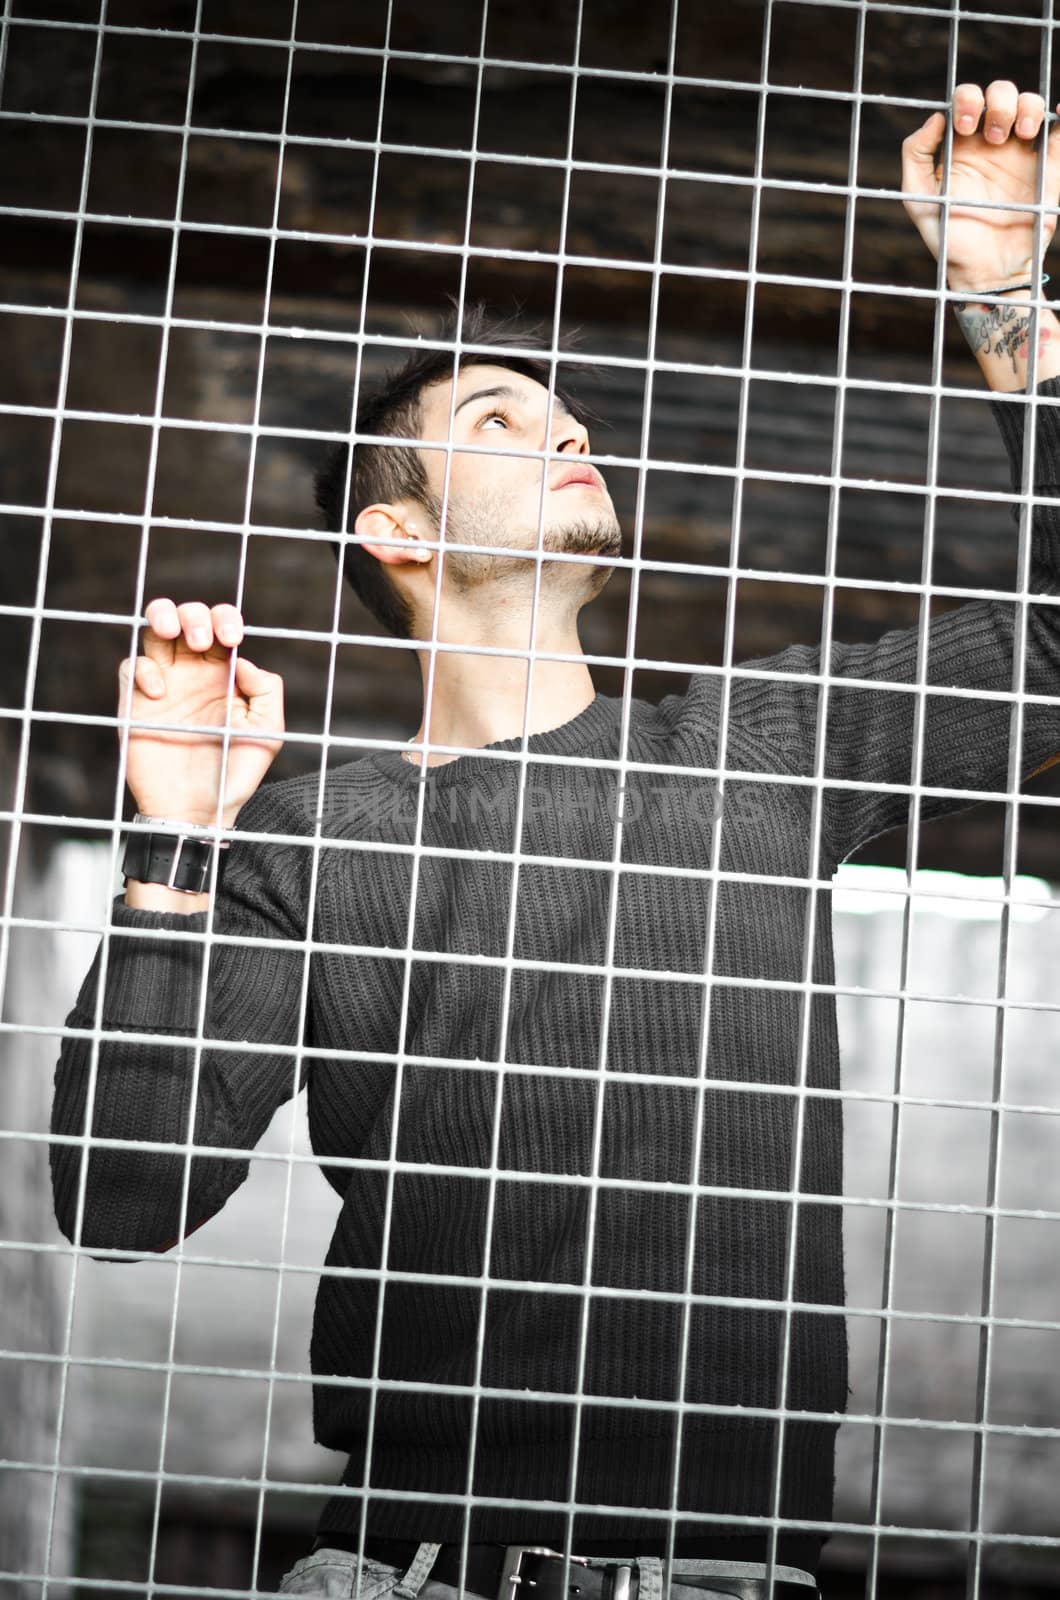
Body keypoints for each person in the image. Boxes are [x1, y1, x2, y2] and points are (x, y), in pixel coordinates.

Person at [51, 82, 1060, 1600]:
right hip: (422, 1572)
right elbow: (123, 1201)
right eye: (497, 419)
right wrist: (177, 841)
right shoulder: (313, 833)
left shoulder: (762, 746)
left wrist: (1007, 292)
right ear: (401, 533)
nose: (568, 426)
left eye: (564, 411)